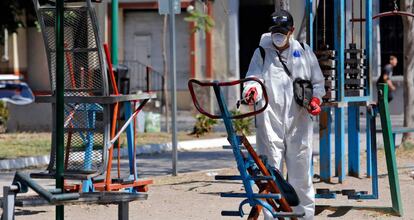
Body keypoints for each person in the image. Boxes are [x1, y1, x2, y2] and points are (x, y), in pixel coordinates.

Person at [242, 10, 325, 220]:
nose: (278, 36)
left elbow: (318, 83)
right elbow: (253, 78)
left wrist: (315, 100)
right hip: (270, 120)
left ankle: (303, 215)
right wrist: (251, 90)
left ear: (292, 31)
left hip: (299, 120)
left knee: (301, 172)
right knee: (271, 173)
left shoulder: (305, 52)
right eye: (275, 31)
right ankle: (273, 216)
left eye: (283, 31)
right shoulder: (261, 52)